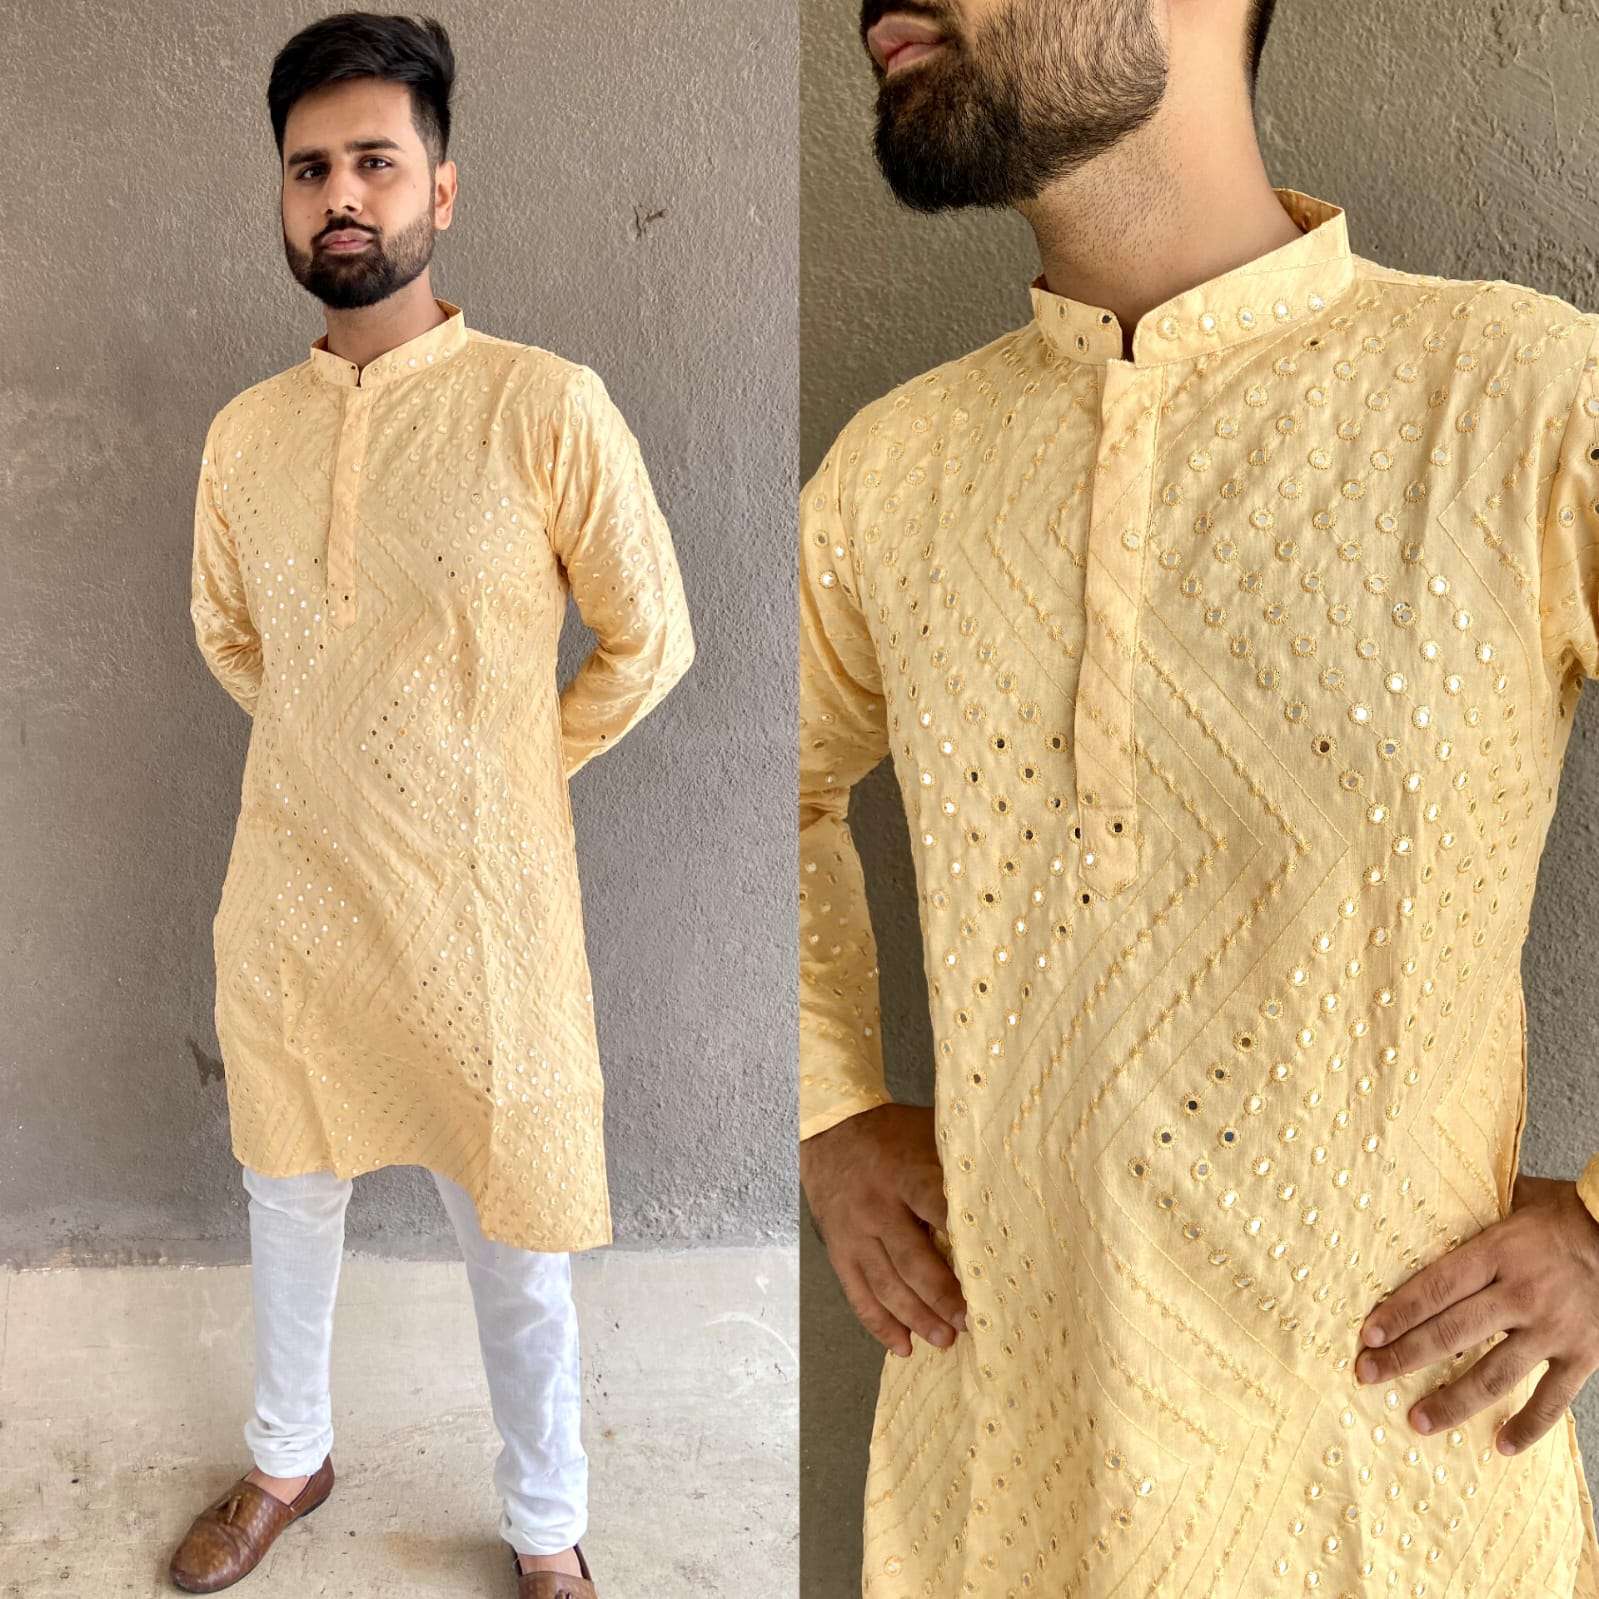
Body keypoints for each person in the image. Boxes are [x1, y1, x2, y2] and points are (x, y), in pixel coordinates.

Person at [797, 1, 1599, 1594]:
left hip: (1393, 1485)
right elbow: (775, 785)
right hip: (1006, 1479)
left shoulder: (1523, 402)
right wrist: (829, 1110)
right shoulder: (893, 471)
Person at [172, 13, 694, 1596]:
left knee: (514, 1237)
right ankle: (288, 1456)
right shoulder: (245, 437)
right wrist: (340, 754)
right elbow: (232, 635)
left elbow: (651, 638)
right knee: (287, 1195)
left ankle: (546, 1531)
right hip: (293, 897)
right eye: (308, 169)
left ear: (441, 191)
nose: (341, 195)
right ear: (282, 198)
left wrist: (499, 771)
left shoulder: (544, 405)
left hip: (485, 913)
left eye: (375, 163)